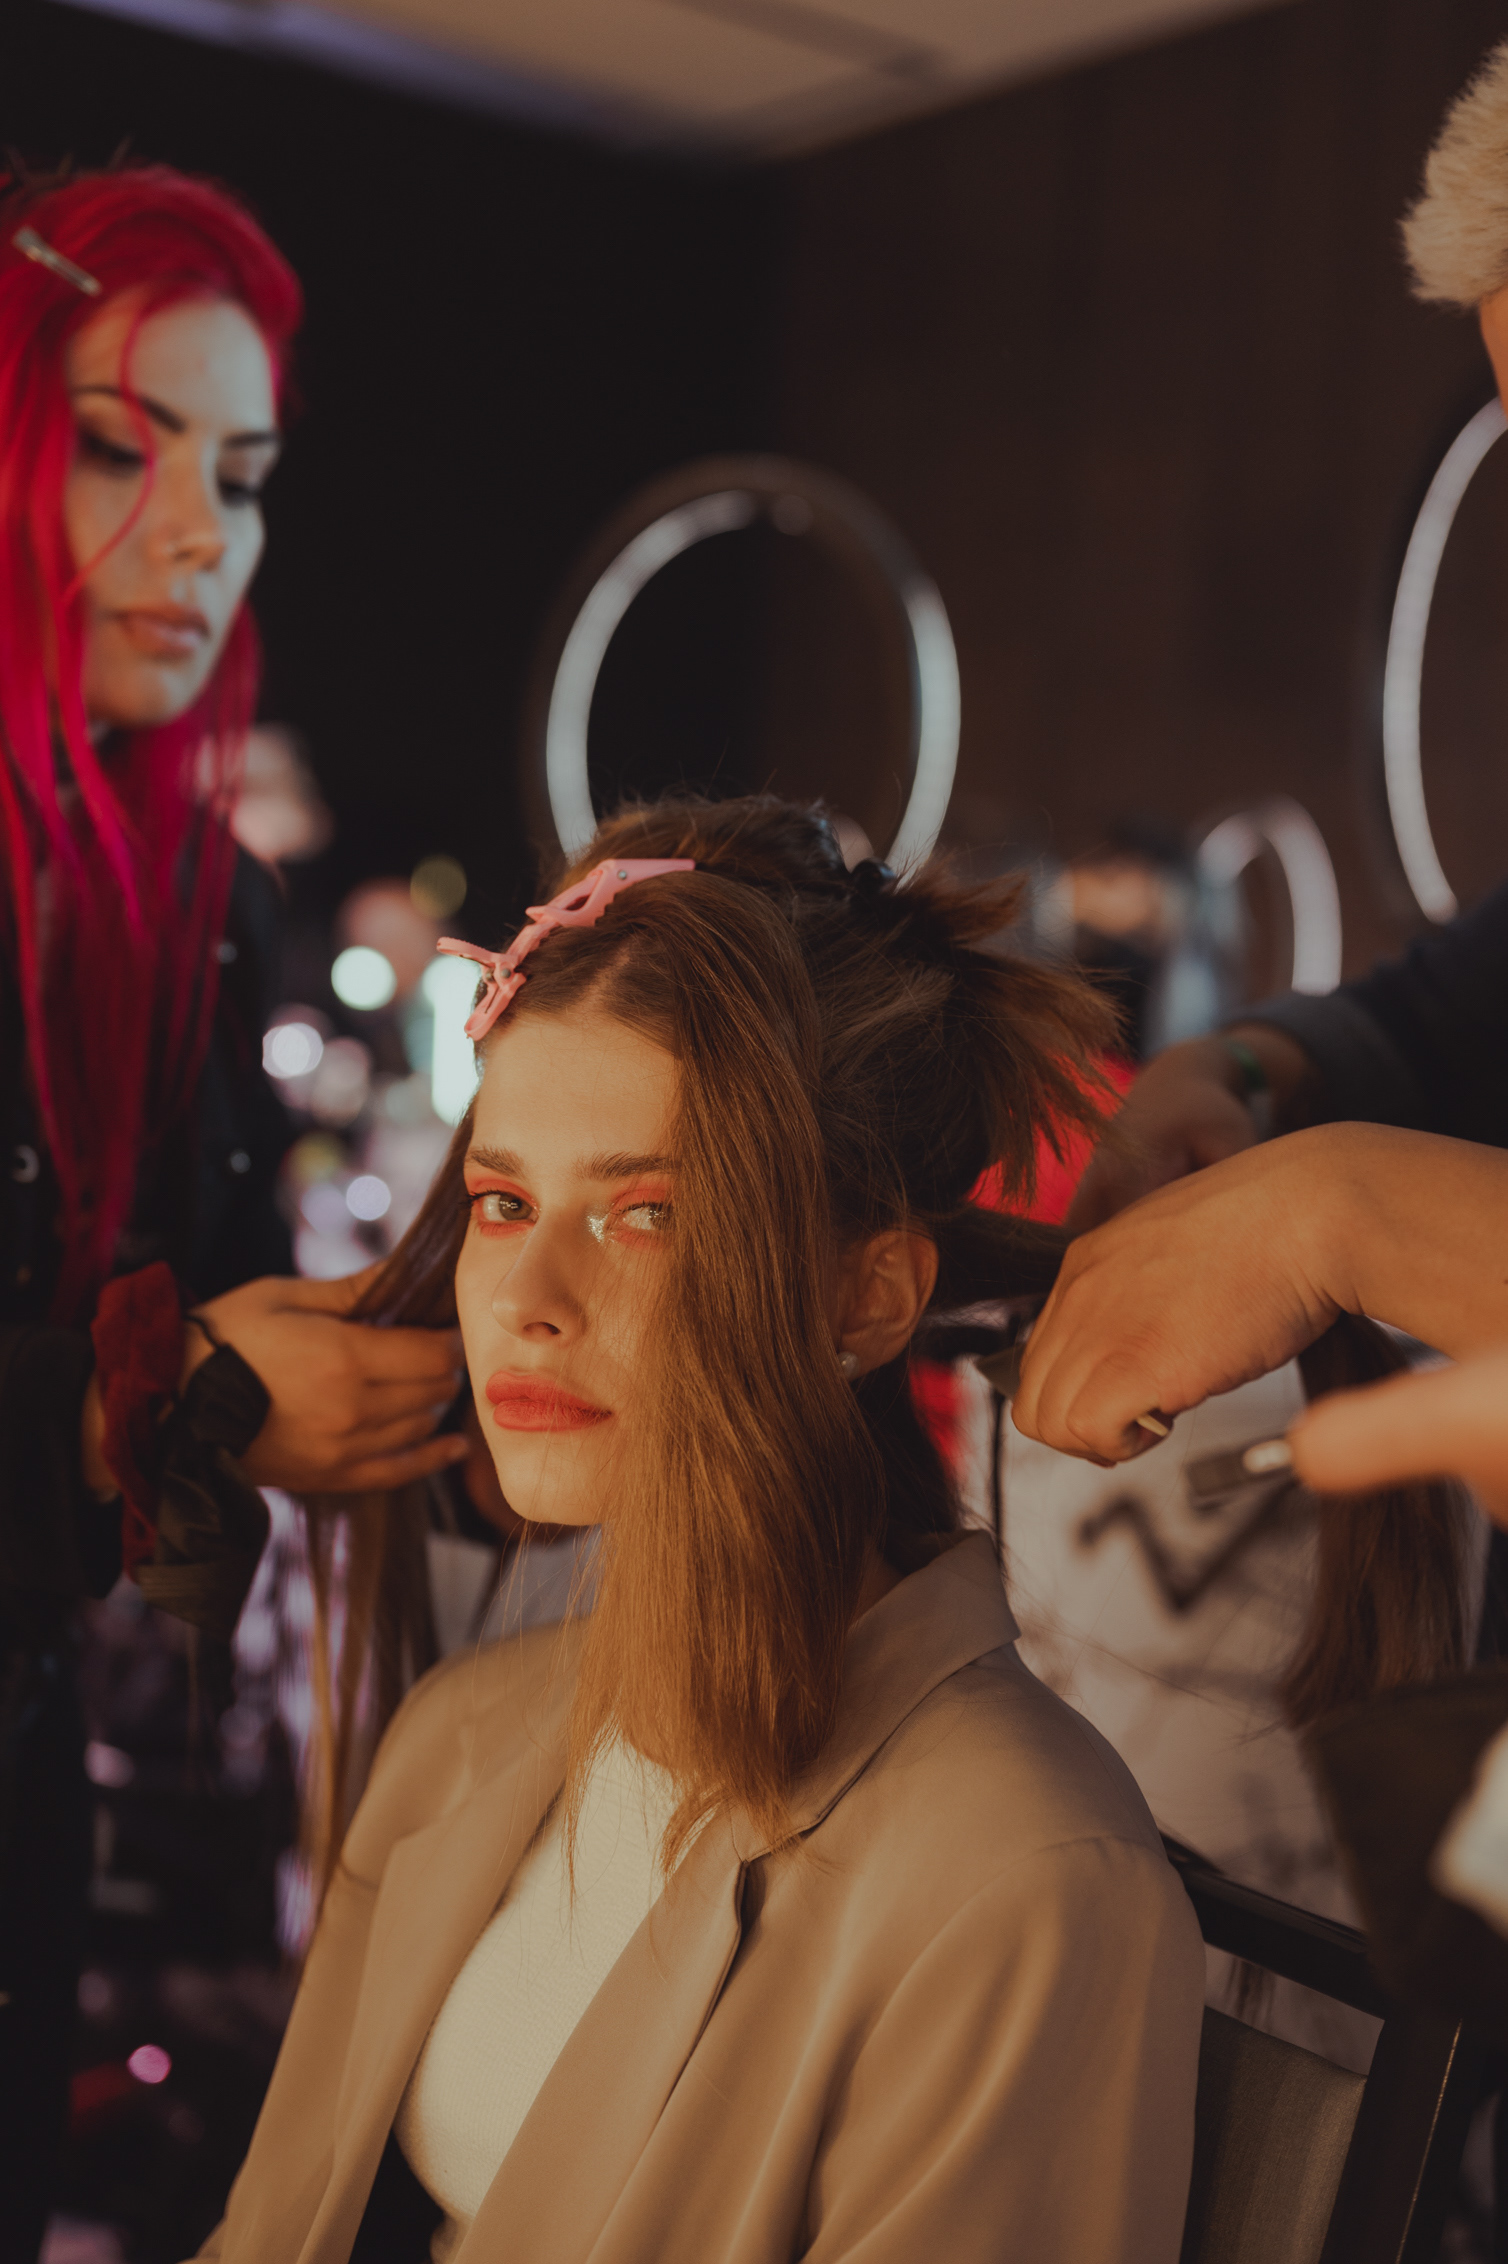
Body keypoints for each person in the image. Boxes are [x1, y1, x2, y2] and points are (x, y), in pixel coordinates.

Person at [200, 796, 1204, 2264]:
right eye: (502, 1202)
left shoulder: (1024, 1877)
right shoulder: (460, 1739)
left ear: (866, 1295)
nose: (529, 1299)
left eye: (646, 1214)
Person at [0, 165, 468, 2260]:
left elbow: (224, 1299)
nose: (201, 531)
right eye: (124, 446)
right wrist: (156, 1398)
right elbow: (169, 1365)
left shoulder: (203, 911)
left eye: (247, 475)